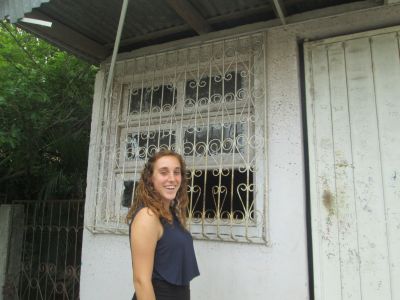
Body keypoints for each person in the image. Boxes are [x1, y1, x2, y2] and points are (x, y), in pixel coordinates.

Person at [127, 149, 200, 300]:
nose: (172, 178)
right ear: (150, 178)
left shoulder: (170, 214)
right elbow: (141, 281)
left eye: (177, 172)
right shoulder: (147, 216)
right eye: (164, 172)